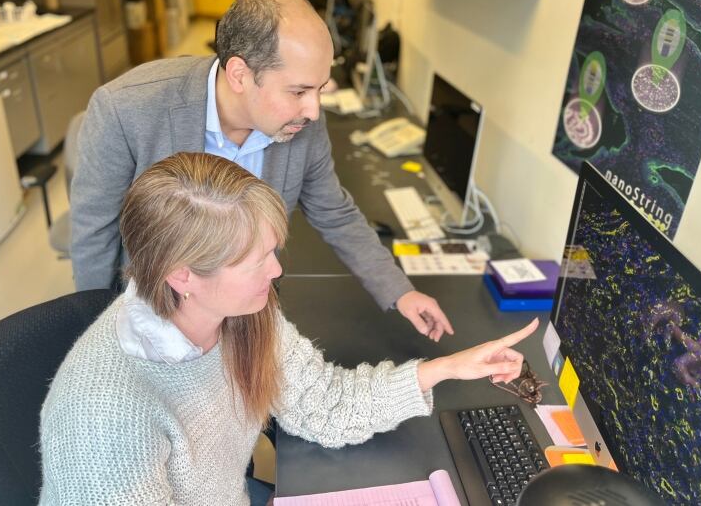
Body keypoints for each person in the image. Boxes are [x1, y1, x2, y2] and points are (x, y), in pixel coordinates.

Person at [40, 153, 538, 505]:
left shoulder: (242, 315)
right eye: (258, 261)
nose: (277, 272)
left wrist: (446, 368)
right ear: (182, 274)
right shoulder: (103, 417)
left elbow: (324, 406)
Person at [71, 0, 451, 341]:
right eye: (299, 91)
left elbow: (335, 212)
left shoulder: (299, 122)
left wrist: (400, 292)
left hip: (247, 311)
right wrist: (98, 333)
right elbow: (94, 232)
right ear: (239, 74)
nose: (314, 111)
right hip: (155, 310)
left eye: (319, 89)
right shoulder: (126, 108)